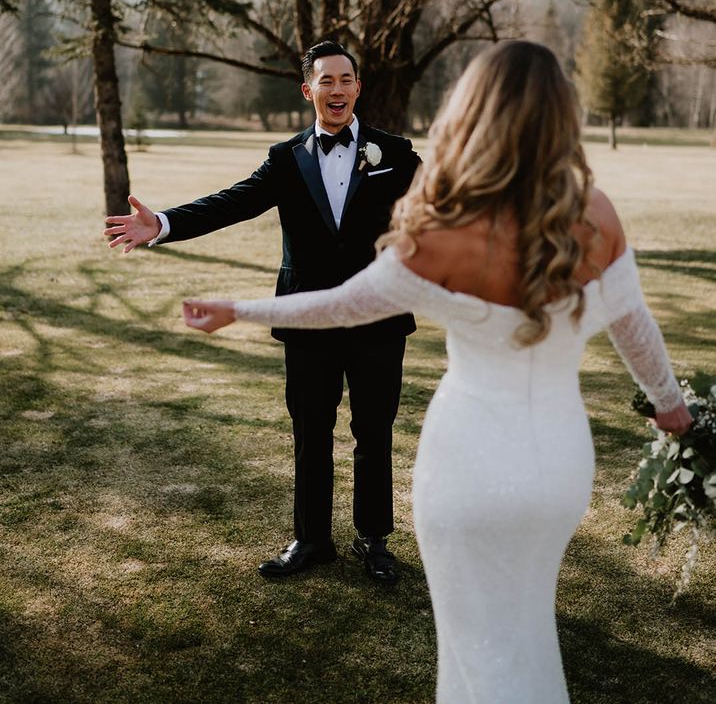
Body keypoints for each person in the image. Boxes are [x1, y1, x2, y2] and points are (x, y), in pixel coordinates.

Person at [182, 41, 692, 704]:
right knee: (528, 621)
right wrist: (672, 408)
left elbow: (344, 305)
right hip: (560, 463)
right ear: (562, 115)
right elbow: (635, 328)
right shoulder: (596, 215)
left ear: (470, 110)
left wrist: (238, 308)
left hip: (466, 463)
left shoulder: (442, 223)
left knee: (474, 642)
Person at [105, 41, 421, 583]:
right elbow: (231, 202)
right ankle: (312, 539)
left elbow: (443, 209)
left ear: (358, 88)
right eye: (327, 81)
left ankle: (373, 540)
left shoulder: (395, 153)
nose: (338, 89)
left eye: (346, 79)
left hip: (378, 316)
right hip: (304, 317)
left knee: (374, 431)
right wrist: (162, 224)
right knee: (311, 429)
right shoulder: (286, 159)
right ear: (308, 91)